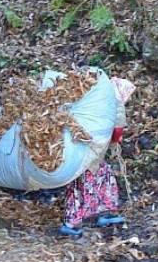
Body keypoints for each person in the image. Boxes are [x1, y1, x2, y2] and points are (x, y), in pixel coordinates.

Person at [58, 77, 135, 237]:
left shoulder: (94, 101)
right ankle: (103, 214)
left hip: (77, 153)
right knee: (104, 179)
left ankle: (73, 222)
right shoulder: (116, 105)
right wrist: (116, 140)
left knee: (77, 185)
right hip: (92, 156)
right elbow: (116, 133)